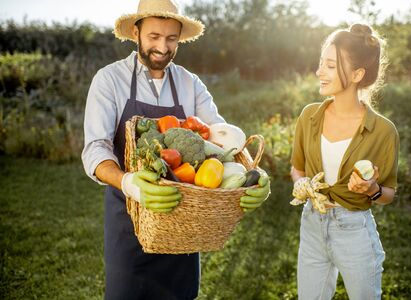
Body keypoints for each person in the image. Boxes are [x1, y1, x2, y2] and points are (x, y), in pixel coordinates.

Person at [81, 0, 271, 299]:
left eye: (171, 39)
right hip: (127, 218)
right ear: (136, 32)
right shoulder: (110, 80)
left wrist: (251, 172)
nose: (162, 47)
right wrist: (129, 183)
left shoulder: (189, 83)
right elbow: (95, 149)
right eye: (154, 37)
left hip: (185, 220)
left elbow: (220, 136)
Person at [290, 23, 399, 300]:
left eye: (329, 65)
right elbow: (298, 169)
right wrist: (302, 184)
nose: (319, 72)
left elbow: (388, 194)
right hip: (313, 224)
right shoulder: (309, 116)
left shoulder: (384, 131)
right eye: (320, 63)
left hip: (355, 232)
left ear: (356, 74)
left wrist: (372, 189)